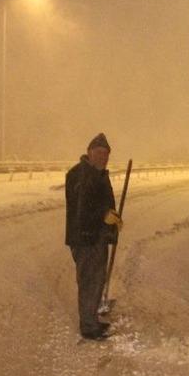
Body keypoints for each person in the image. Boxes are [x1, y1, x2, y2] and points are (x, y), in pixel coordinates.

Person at [65, 133, 123, 340]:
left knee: (96, 279)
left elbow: (103, 203)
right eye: (99, 152)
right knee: (89, 280)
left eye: (106, 154)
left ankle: (92, 319)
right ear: (89, 152)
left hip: (96, 236)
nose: (103, 157)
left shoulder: (97, 174)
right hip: (85, 238)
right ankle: (88, 327)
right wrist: (103, 215)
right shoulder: (80, 175)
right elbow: (82, 206)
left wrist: (112, 222)